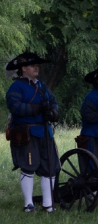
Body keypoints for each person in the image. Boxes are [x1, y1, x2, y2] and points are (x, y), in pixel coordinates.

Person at [5, 52, 60, 212]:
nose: (36, 67)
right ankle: (28, 204)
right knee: (28, 167)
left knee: (50, 168)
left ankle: (48, 204)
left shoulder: (41, 86)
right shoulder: (16, 87)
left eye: (37, 65)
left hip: (45, 132)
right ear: (23, 68)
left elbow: (53, 102)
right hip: (26, 133)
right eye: (32, 65)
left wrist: (53, 113)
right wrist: (37, 108)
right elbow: (15, 107)